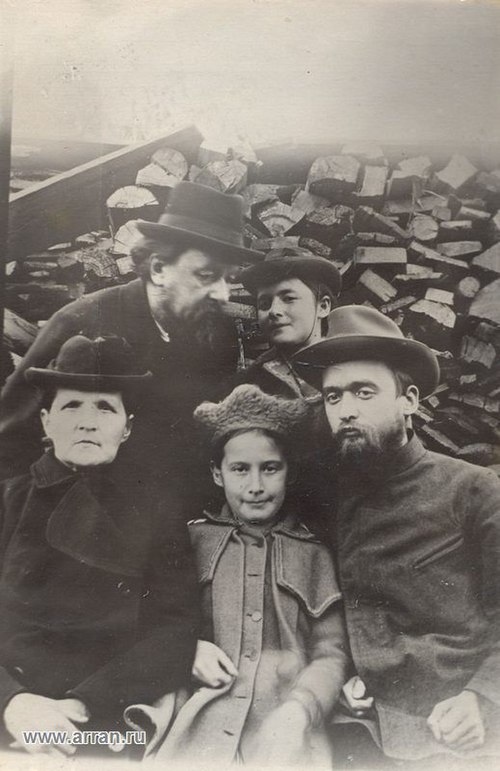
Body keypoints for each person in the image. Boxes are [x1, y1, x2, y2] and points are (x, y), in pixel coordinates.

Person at [293, 305, 500, 767]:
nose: (345, 410)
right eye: (332, 397)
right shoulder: (320, 498)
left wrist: (483, 697)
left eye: (363, 392)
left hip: (450, 726)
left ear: (409, 400)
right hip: (347, 720)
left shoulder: (474, 490)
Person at [0, 335, 199, 758]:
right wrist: (12, 702)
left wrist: (84, 705)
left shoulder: (156, 511)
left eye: (105, 407)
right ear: (45, 421)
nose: (87, 421)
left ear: (127, 428)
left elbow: (175, 629)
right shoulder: (8, 501)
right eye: (71, 405)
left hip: (105, 715)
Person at [0, 182, 264, 500]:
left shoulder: (216, 331)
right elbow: (10, 442)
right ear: (158, 268)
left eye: (228, 279)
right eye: (207, 275)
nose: (222, 294)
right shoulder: (82, 321)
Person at [141, 384, 349, 766]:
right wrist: (183, 650)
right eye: (239, 469)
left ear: (290, 472)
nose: (255, 486)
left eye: (270, 468)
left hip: (286, 732)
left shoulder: (315, 553)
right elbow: (148, 622)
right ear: (217, 474)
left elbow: (330, 653)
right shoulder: (188, 541)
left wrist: (300, 710)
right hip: (193, 730)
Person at [239, 247, 341, 399]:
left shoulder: (353, 367)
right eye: (264, 304)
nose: (273, 311)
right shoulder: (249, 384)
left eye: (288, 299)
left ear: (323, 306)